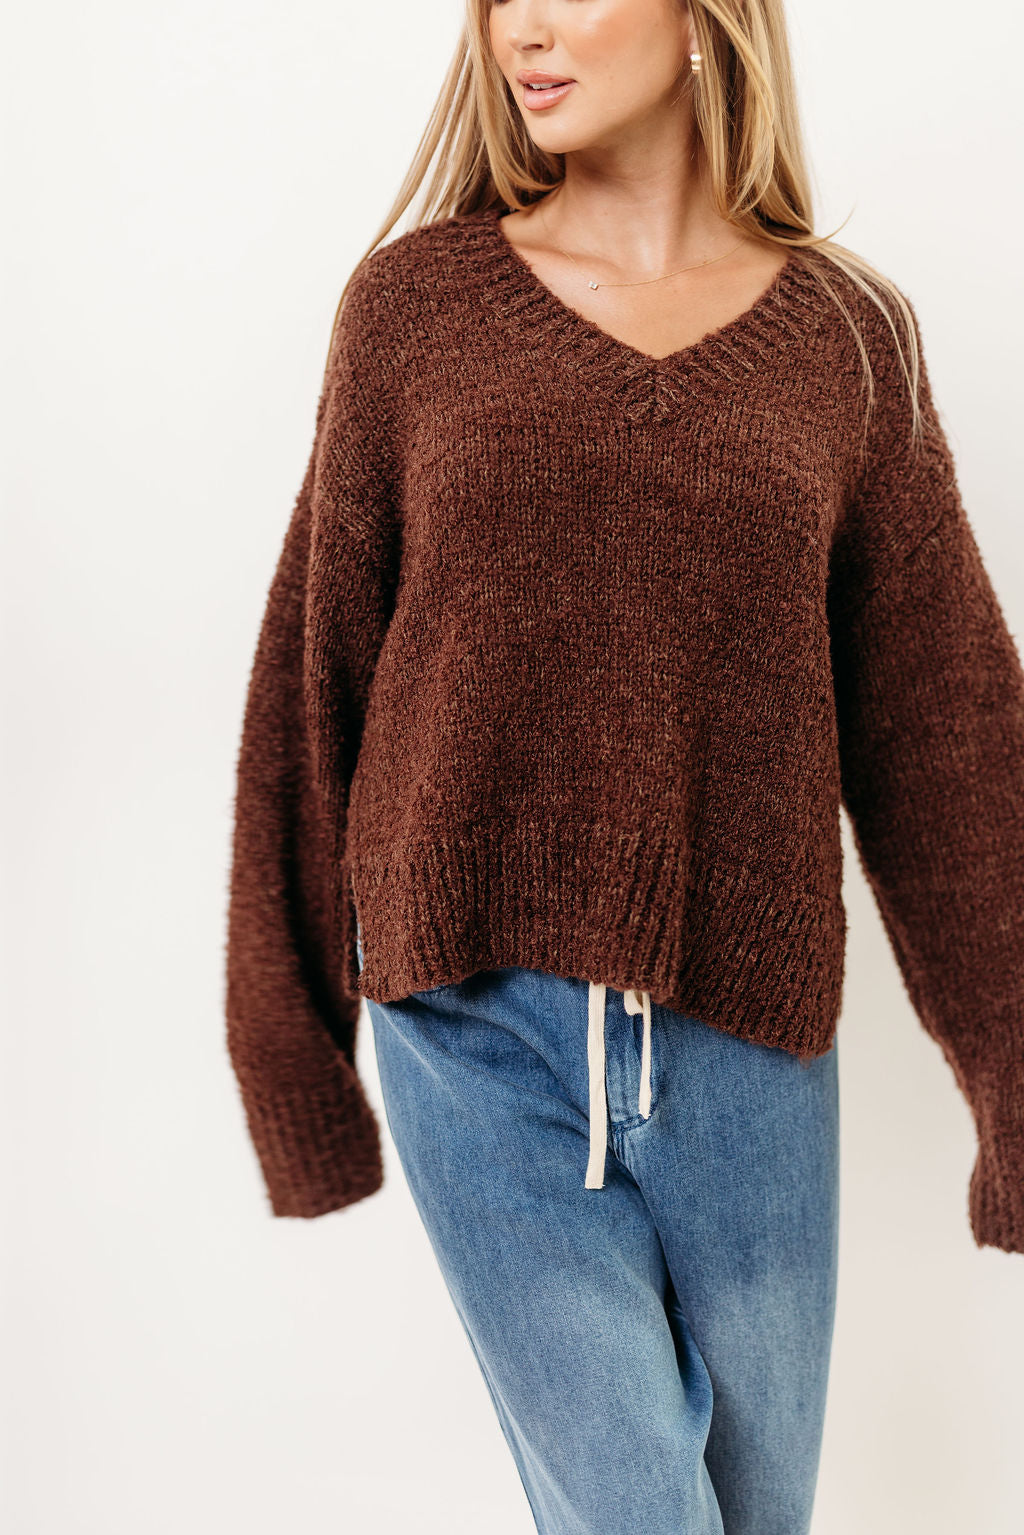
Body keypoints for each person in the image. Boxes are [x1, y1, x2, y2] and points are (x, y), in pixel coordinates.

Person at [223, 2, 1024, 1531]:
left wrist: (1015, 1080)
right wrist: (289, 1051)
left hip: (751, 1037)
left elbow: (950, 737)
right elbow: (314, 675)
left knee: (755, 1515)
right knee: (637, 1512)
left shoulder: (849, 341)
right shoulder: (414, 313)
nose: (521, 28)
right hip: (473, 1023)